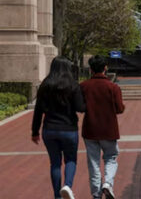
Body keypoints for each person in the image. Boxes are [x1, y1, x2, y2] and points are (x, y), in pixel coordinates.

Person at [32, 56, 86, 199]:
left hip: (49, 129)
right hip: (68, 128)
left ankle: (57, 196)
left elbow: (38, 110)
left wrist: (34, 131)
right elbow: (80, 108)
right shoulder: (73, 85)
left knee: (55, 163)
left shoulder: (45, 85)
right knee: (71, 160)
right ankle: (67, 186)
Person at [81, 55, 125, 199]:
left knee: (93, 163)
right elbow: (119, 109)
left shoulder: (84, 86)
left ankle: (96, 194)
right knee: (111, 157)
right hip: (108, 129)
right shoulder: (113, 87)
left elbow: (80, 107)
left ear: (91, 69)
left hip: (90, 129)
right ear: (105, 68)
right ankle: (108, 183)